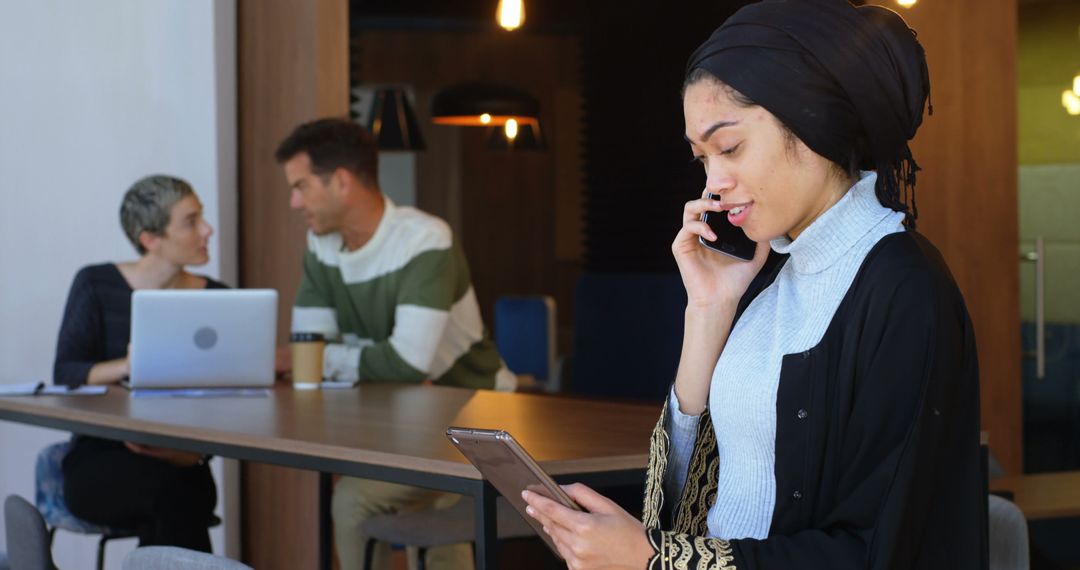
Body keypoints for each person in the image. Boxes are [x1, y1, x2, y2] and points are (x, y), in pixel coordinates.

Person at [522, 1, 984, 568]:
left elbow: (872, 552)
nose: (714, 185)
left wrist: (658, 561)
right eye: (703, 159)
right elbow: (676, 513)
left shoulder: (905, 291)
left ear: (812, 118)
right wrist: (708, 309)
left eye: (731, 147)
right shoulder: (768, 278)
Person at [274, 118, 515, 570]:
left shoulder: (423, 239)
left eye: (301, 186)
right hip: (405, 424)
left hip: (477, 421)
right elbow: (307, 351)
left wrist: (322, 359)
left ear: (341, 181)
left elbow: (405, 361)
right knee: (392, 503)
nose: (294, 202)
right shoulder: (321, 245)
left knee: (358, 502)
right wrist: (321, 359)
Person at [54, 174, 221, 552]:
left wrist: (191, 453)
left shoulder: (216, 298)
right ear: (150, 239)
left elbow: (226, 392)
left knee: (179, 493)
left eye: (202, 217)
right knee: (174, 500)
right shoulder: (96, 284)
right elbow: (66, 373)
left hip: (184, 457)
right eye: (191, 221)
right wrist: (130, 365)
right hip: (103, 458)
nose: (207, 230)